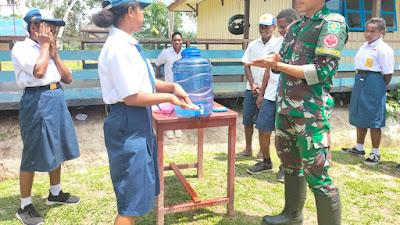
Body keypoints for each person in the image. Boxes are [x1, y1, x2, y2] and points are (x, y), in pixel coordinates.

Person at [92, 1, 198, 224]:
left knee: (137, 192)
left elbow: (143, 83)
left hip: (138, 119)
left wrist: (171, 86)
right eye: (141, 9)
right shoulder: (118, 49)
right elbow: (132, 97)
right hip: (127, 121)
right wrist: (171, 98)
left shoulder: (128, 45)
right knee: (130, 204)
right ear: (130, 11)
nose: (143, 14)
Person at [245, 0, 348, 224]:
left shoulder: (332, 24)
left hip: (310, 111)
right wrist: (273, 61)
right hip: (286, 107)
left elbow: (321, 71)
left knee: (317, 170)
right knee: (289, 161)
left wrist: (279, 66)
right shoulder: (296, 26)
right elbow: (284, 58)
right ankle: (292, 215)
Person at [12, 9, 81, 225]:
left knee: (57, 145)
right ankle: (25, 205)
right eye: (48, 25)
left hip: (56, 96)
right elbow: (39, 72)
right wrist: (44, 46)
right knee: (32, 150)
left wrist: (54, 53)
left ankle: (55, 192)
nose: (52, 30)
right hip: (36, 100)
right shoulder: (22, 48)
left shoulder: (49, 49)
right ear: (34, 27)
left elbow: (68, 78)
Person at [248, 8, 299, 182]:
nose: (280, 30)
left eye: (283, 27)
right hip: (271, 93)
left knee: (286, 133)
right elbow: (268, 71)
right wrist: (261, 94)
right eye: (278, 27)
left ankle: (285, 166)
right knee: (262, 127)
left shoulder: (300, 45)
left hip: (290, 94)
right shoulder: (277, 45)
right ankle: (266, 161)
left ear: (294, 24)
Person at [341, 18, 394, 166]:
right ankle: (359, 148)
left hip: (374, 81)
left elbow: (388, 73)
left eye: (373, 31)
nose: (368, 34)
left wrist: (378, 86)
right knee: (360, 114)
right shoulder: (365, 46)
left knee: (374, 118)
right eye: (367, 30)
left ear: (381, 32)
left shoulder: (384, 49)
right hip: (360, 80)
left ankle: (375, 152)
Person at [237, 14, 278, 164]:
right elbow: (247, 65)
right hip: (251, 88)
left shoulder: (277, 45)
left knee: (264, 122)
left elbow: (272, 69)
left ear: (274, 27)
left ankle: (263, 151)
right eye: (261, 26)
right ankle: (248, 149)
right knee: (247, 119)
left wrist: (262, 87)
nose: (263, 29)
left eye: (266, 26)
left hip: (268, 90)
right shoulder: (253, 45)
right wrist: (253, 84)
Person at [155, 32, 184, 139]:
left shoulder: (185, 53)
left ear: (182, 41)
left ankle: (177, 127)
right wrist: (158, 74)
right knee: (168, 108)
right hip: (169, 85)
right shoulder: (166, 53)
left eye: (179, 40)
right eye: (175, 40)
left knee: (179, 106)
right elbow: (158, 63)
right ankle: (168, 129)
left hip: (181, 86)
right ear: (172, 41)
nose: (177, 42)